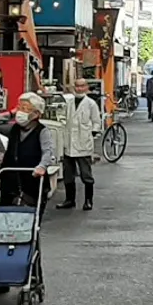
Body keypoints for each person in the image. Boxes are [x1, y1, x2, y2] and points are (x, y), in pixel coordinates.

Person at [0, 92, 55, 212]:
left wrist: (41, 167)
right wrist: (12, 113)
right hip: (10, 182)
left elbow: (48, 152)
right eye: (20, 107)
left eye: (25, 109)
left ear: (36, 114)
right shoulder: (14, 129)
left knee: (30, 219)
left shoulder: (42, 132)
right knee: (6, 217)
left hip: (32, 182)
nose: (21, 111)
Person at [59, 77, 101, 211]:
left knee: (85, 174)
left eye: (82, 86)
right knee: (68, 174)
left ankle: (88, 201)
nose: (79, 89)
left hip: (83, 144)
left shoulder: (91, 104)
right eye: (77, 86)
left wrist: (92, 134)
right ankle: (69, 200)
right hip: (69, 143)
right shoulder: (69, 102)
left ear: (86, 87)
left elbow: (96, 122)